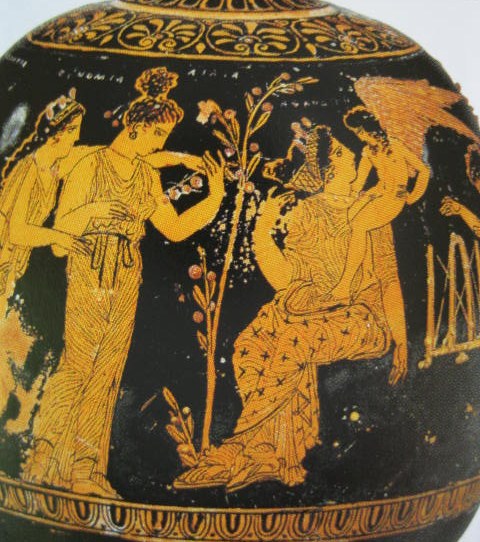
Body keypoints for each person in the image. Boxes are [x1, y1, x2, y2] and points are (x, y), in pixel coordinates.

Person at [22, 67, 226, 498]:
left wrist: (215, 197)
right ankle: (45, 456)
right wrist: (97, 212)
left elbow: (174, 229)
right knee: (79, 363)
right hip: (90, 266)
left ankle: (86, 468)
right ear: (136, 128)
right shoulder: (90, 162)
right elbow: (59, 236)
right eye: (158, 136)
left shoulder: (146, 175)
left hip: (127, 272)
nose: (161, 145)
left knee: (108, 371)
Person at [174, 125, 407, 493]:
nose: (354, 155)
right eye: (343, 153)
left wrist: (402, 340)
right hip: (314, 311)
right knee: (250, 344)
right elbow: (288, 280)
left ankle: (238, 449)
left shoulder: (370, 208)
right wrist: (262, 234)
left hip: (365, 318)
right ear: (329, 172)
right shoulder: (308, 212)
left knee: (291, 340)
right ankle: (268, 454)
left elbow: (389, 278)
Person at [0, 89, 93, 317]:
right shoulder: (28, 169)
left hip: (12, 265)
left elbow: (89, 152)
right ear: (59, 134)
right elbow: (17, 232)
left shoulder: (51, 168)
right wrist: (61, 238)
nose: (77, 138)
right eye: (74, 130)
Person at [327, 106, 430, 303]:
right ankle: (367, 274)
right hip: (378, 194)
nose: (359, 136)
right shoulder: (368, 152)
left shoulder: (395, 146)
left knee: (359, 226)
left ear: (368, 128)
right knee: (349, 218)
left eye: (359, 131)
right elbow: (359, 182)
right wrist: (344, 192)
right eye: (356, 133)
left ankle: (345, 285)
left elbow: (423, 171)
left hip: (394, 199)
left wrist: (412, 196)